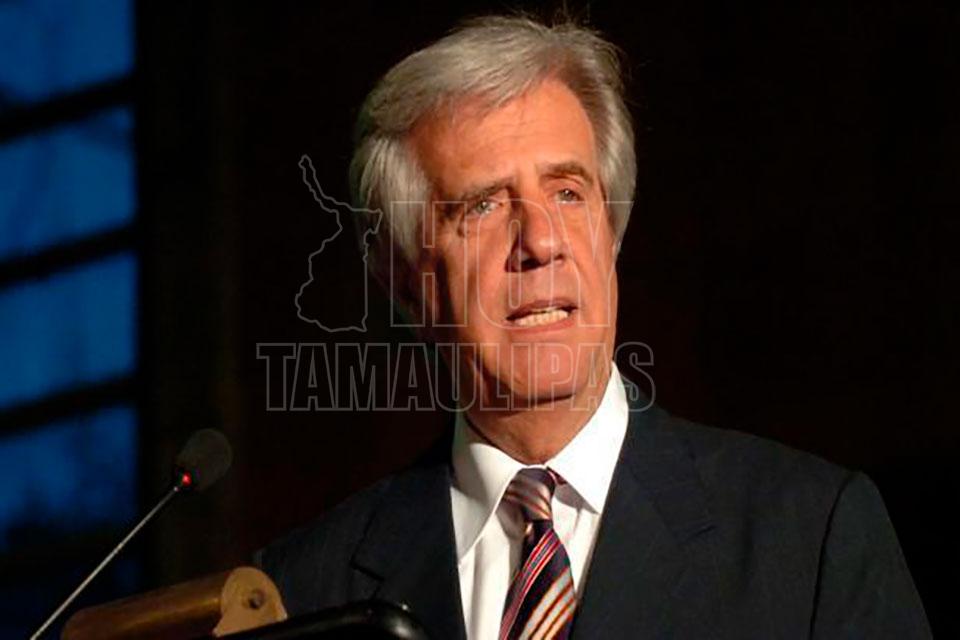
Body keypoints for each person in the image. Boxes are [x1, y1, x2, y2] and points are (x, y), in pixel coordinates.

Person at [256, 15, 931, 639]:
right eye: (483, 206)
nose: (541, 241)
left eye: (567, 193)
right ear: (404, 279)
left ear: (611, 233)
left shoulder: (811, 538)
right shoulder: (304, 592)